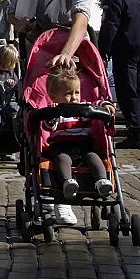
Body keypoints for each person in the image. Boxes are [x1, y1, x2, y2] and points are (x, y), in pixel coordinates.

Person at [42, 61, 114, 224]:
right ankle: (68, 183)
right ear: (54, 97)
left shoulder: (84, 108)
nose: (74, 97)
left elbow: (97, 104)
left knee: (93, 156)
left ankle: (102, 181)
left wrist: (106, 106)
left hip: (83, 147)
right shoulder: (56, 112)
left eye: (77, 92)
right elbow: (48, 126)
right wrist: (51, 114)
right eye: (68, 93)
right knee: (62, 159)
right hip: (62, 147)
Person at [98, 0, 140, 149]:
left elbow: (110, 27)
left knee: (127, 91)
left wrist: (102, 50)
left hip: (124, 48)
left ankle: (135, 133)